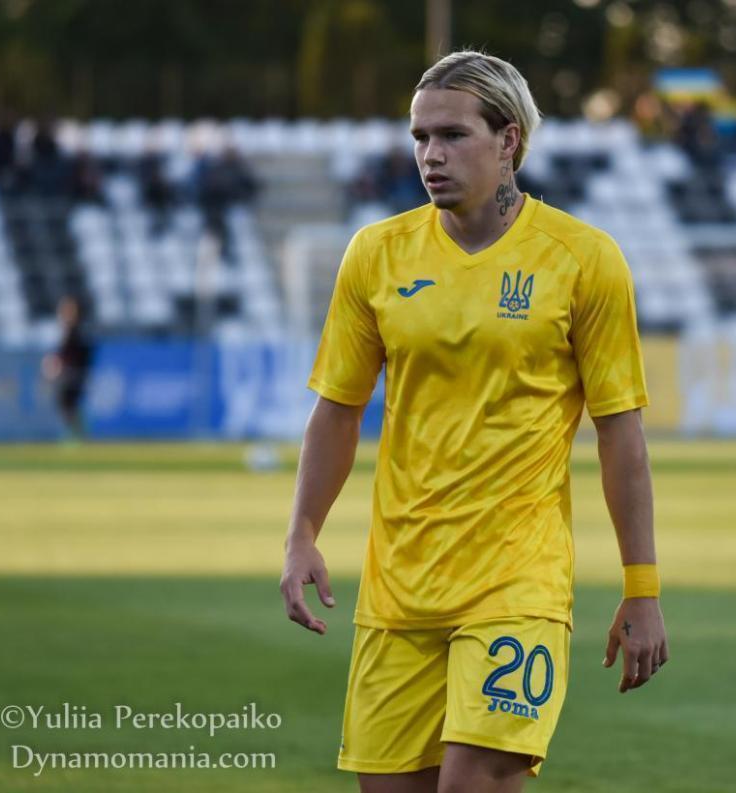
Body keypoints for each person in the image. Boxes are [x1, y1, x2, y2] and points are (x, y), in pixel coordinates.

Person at [279, 50, 668, 793]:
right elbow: (337, 410)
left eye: (453, 135)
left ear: (509, 140)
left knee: (472, 786)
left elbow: (622, 435)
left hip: (517, 586)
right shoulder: (376, 255)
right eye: (420, 137)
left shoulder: (583, 260)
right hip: (398, 591)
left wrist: (641, 585)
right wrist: (302, 534)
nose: (431, 154)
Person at [41, 296, 93, 439]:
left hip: (73, 373)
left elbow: (77, 355)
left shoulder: (77, 331)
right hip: (69, 372)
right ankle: (76, 433)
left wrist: (60, 365)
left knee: (68, 402)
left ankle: (76, 434)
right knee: (67, 403)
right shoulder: (66, 331)